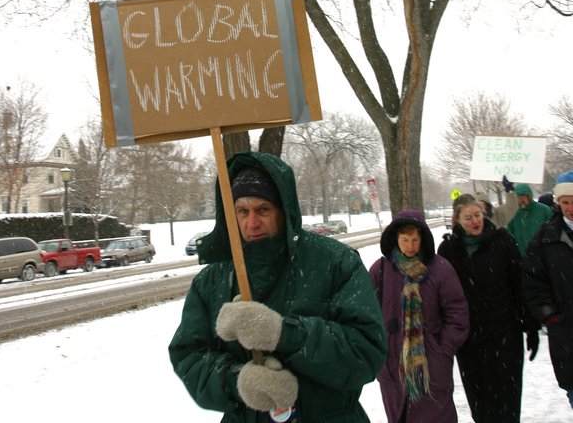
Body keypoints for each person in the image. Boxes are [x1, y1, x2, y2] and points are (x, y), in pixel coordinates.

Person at [168, 151, 387, 423]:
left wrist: (284, 333)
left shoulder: (335, 263)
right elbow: (189, 355)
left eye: (263, 209)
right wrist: (237, 381)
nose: (251, 223)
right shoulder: (212, 280)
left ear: (283, 211)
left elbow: (366, 352)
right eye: (242, 211)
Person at [437, 194, 539, 423]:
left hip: (505, 336)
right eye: (468, 217)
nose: (475, 221)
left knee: (507, 402)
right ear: (457, 220)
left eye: (477, 215)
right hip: (469, 340)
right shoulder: (448, 250)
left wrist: (531, 325)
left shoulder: (503, 241)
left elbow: (519, 283)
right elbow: (440, 295)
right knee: (480, 404)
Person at [369, 210, 469, 422]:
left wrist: (441, 350)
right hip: (392, 367)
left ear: (422, 238)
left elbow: (457, 314)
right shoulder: (380, 270)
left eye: (415, 239)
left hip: (431, 366)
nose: (410, 246)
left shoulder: (440, 269)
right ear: (395, 239)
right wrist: (380, 350)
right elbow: (367, 315)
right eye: (405, 240)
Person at [524, 170, 573, 411]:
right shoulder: (545, 237)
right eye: (565, 202)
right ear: (558, 202)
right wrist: (550, 315)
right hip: (567, 335)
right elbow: (533, 281)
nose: (571, 207)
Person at [506, 182, 553, 254]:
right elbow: (509, 233)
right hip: (520, 256)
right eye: (518, 198)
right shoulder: (513, 213)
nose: (520, 200)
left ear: (529, 196)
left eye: (523, 197)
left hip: (541, 255)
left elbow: (552, 231)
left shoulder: (544, 210)